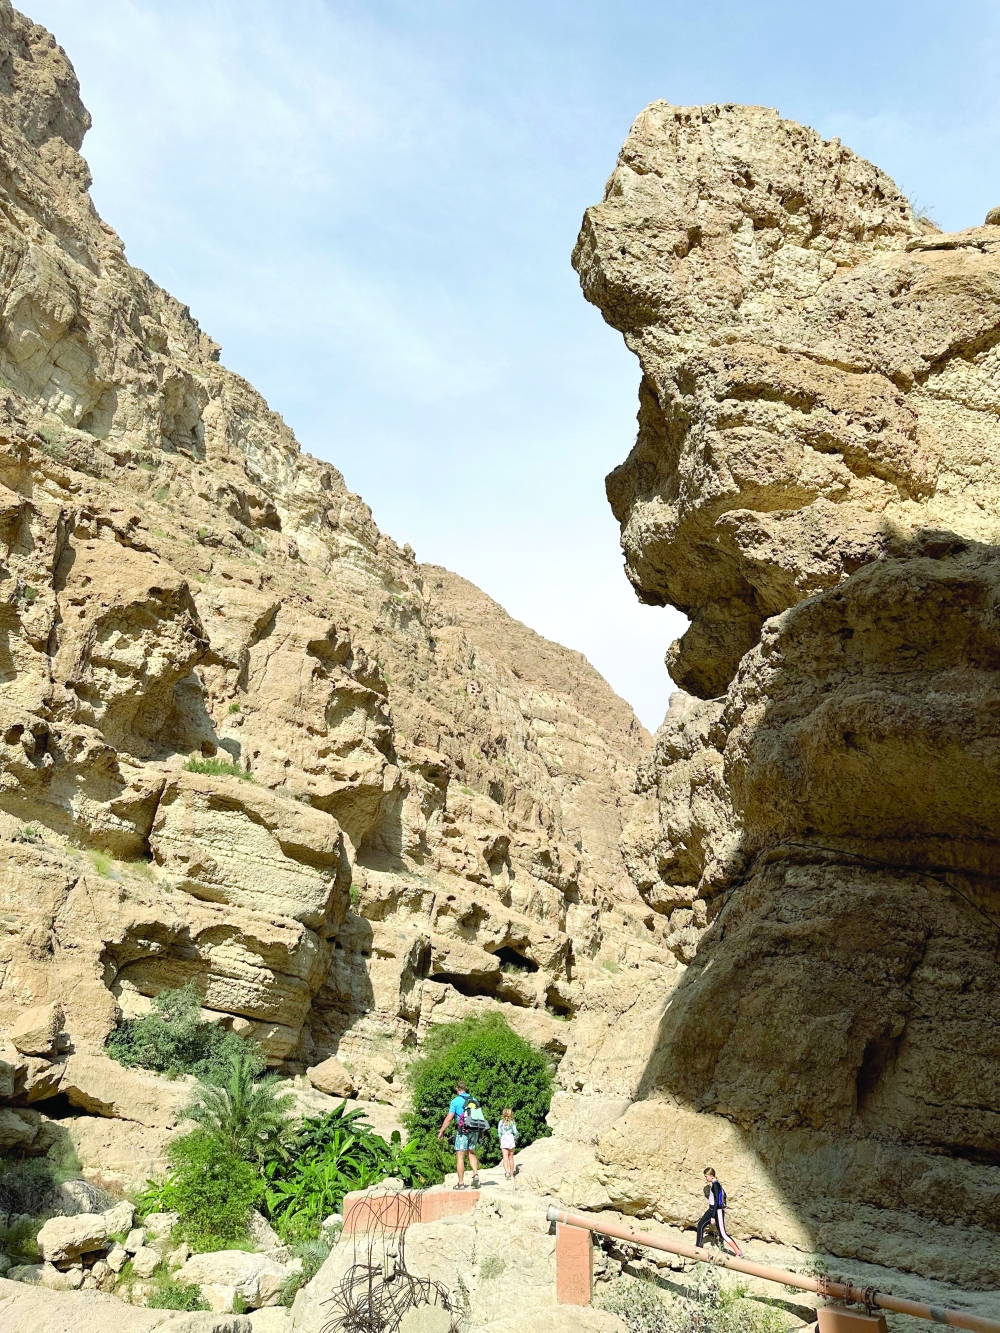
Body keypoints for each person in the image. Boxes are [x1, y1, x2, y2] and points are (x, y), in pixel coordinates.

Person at [437, 1080, 481, 1190]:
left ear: (457, 1088)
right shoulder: (474, 1100)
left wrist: (442, 1130)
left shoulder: (455, 1101)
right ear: (465, 1088)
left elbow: (449, 1118)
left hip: (462, 1132)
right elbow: (479, 1117)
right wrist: (481, 1132)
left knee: (460, 1157)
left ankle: (461, 1183)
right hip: (474, 1130)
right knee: (471, 1153)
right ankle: (475, 1175)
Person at [695, 1167, 743, 1257]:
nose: (705, 1178)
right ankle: (698, 1246)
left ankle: (738, 1252)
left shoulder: (716, 1185)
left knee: (723, 1234)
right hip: (712, 1210)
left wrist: (713, 1216)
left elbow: (717, 1201)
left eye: (706, 1176)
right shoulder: (715, 1184)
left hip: (717, 1211)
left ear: (711, 1176)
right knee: (700, 1225)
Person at [498, 1107, 519, 1179]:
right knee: (511, 1158)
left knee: (505, 1158)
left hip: (504, 1138)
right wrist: (515, 1138)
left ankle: (507, 1172)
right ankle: (512, 1174)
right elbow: (515, 1132)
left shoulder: (501, 1122)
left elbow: (499, 1133)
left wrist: (500, 1140)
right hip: (510, 1138)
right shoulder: (512, 1122)